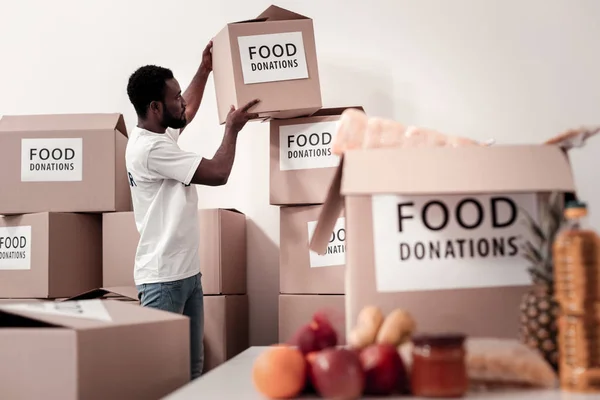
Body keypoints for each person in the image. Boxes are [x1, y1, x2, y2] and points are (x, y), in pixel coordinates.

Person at [124, 39, 260, 380]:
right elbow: (218, 173)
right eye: (175, 97)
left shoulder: (158, 135)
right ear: (156, 107)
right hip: (163, 282)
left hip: (185, 275)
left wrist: (205, 68)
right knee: (165, 376)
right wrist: (232, 129)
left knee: (193, 370)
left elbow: (187, 112)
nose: (182, 100)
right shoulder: (151, 150)